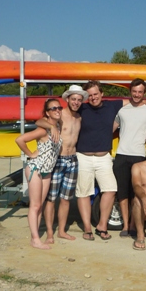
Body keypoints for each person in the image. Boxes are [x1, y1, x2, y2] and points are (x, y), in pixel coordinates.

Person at [77, 81, 146, 241]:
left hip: (119, 156)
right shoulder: (83, 108)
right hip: (98, 155)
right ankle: (92, 229)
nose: (93, 97)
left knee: (117, 190)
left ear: (102, 94)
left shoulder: (114, 106)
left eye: (96, 94)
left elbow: (138, 103)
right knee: (90, 192)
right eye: (90, 95)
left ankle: (111, 225)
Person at [36, 85, 85, 243]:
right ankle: (50, 232)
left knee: (66, 199)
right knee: (51, 198)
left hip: (73, 160)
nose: (76, 102)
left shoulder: (79, 117)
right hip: (58, 160)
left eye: (79, 100)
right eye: (73, 99)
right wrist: (51, 126)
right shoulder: (59, 114)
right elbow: (39, 121)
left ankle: (62, 231)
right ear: (67, 99)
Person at [112, 78, 146, 237]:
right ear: (130, 91)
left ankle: (133, 224)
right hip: (121, 155)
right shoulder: (122, 110)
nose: (137, 94)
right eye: (134, 91)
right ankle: (125, 225)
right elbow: (111, 129)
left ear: (144, 93)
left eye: (140, 92)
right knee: (122, 193)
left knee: (136, 193)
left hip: (139, 157)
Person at [15, 99, 62, 250]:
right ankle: (35, 240)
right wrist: (30, 154)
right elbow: (20, 140)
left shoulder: (58, 126)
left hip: (47, 170)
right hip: (36, 168)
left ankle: (34, 237)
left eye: (59, 107)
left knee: (39, 205)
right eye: (53, 108)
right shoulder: (43, 130)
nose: (57, 110)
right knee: (35, 205)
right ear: (47, 113)